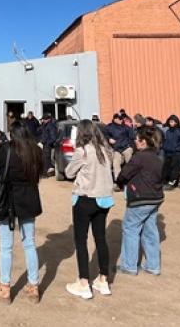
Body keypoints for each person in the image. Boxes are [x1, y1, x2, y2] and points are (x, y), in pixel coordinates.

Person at [0, 121, 44, 305]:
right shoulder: (36, 150)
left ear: (12, 135)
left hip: (9, 200)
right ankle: (33, 286)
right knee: (29, 244)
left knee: (6, 246)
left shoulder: (7, 149)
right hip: (28, 199)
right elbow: (41, 171)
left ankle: (4, 288)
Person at [64, 120, 115, 299]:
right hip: (104, 199)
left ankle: (84, 282)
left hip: (85, 199)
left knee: (81, 240)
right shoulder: (106, 150)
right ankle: (103, 280)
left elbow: (68, 172)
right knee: (101, 239)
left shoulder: (83, 151)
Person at [116, 126, 165, 277]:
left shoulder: (140, 157)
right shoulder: (158, 156)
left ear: (143, 142)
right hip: (155, 197)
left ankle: (129, 265)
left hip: (140, 198)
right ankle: (153, 265)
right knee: (150, 230)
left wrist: (120, 182)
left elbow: (124, 174)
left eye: (137, 139)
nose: (135, 141)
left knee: (130, 228)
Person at [161, 115, 180, 190]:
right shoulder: (168, 131)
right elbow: (165, 141)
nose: (171, 123)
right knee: (166, 168)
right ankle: (164, 182)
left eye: (172, 122)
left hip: (178, 153)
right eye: (170, 122)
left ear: (176, 122)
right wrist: (164, 147)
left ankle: (172, 183)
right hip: (168, 152)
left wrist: (176, 149)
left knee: (175, 168)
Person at [104, 114, 135, 179]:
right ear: (115, 119)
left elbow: (132, 137)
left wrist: (130, 146)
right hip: (117, 149)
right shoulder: (109, 127)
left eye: (121, 119)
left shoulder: (126, 127)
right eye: (119, 119)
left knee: (129, 163)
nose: (121, 120)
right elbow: (105, 135)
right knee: (116, 164)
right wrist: (109, 138)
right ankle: (118, 181)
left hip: (126, 148)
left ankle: (132, 179)